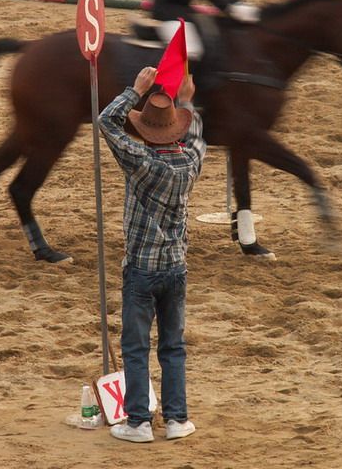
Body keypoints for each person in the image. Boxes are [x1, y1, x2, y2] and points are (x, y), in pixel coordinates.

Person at [98, 67, 206, 443]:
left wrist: (135, 90)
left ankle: (139, 422)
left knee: (136, 346)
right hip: (175, 267)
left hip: (141, 268)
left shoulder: (140, 161)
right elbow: (196, 140)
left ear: (146, 130)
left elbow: (106, 123)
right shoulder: (189, 164)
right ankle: (177, 419)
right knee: (173, 346)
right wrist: (188, 101)